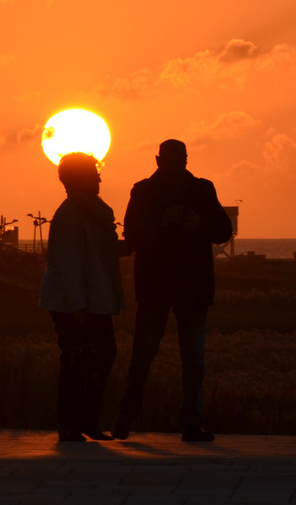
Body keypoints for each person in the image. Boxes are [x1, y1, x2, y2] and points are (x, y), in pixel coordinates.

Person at [111, 139, 235, 443]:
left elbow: (223, 230)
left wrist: (199, 225)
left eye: (179, 164)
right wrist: (161, 222)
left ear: (185, 161)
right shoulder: (142, 191)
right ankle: (126, 416)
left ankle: (190, 422)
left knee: (192, 357)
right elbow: (131, 234)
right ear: (158, 161)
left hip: (190, 286)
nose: (174, 170)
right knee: (144, 353)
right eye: (170, 164)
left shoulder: (203, 190)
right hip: (157, 285)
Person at [38, 152, 127, 443]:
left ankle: (86, 419)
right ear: (78, 179)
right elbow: (68, 264)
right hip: (75, 305)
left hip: (93, 301)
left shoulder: (92, 212)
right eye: (93, 173)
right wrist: (77, 307)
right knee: (76, 361)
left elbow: (99, 252)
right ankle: (71, 424)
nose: (99, 178)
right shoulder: (70, 215)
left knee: (100, 355)